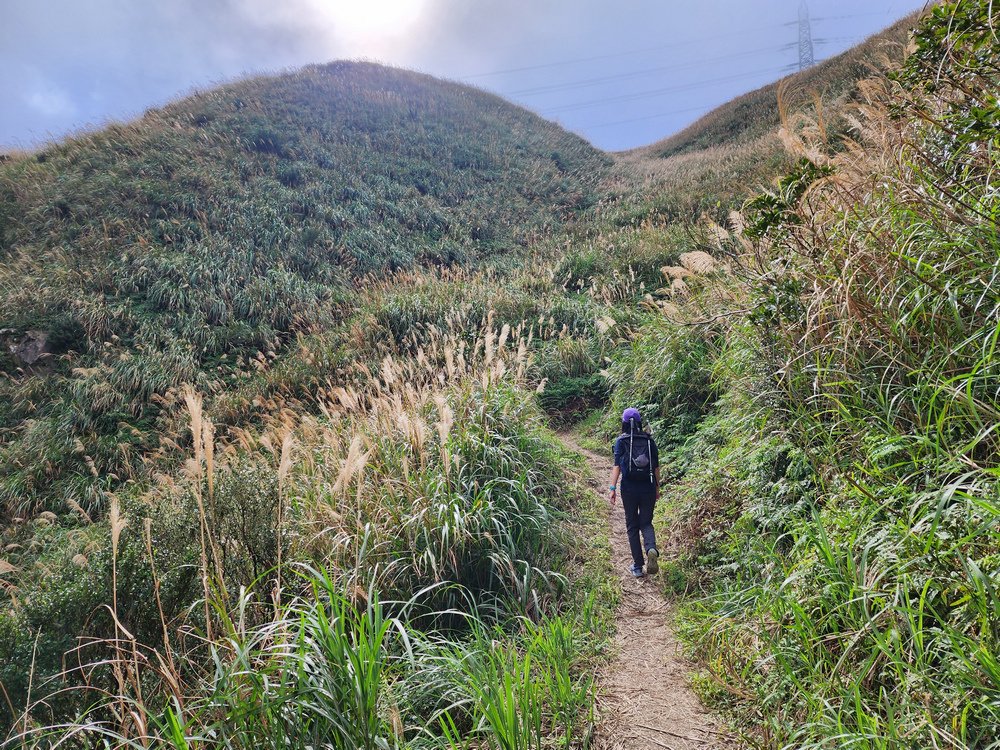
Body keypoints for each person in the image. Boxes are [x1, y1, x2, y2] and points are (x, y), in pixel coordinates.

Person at [608, 407, 661, 577]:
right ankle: (651, 548)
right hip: (648, 488)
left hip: (629, 488)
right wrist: (658, 488)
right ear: (639, 422)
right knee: (646, 522)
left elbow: (617, 466)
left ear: (624, 423)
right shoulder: (649, 441)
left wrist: (612, 488)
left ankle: (638, 567)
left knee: (632, 525)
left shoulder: (621, 441)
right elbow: (656, 467)